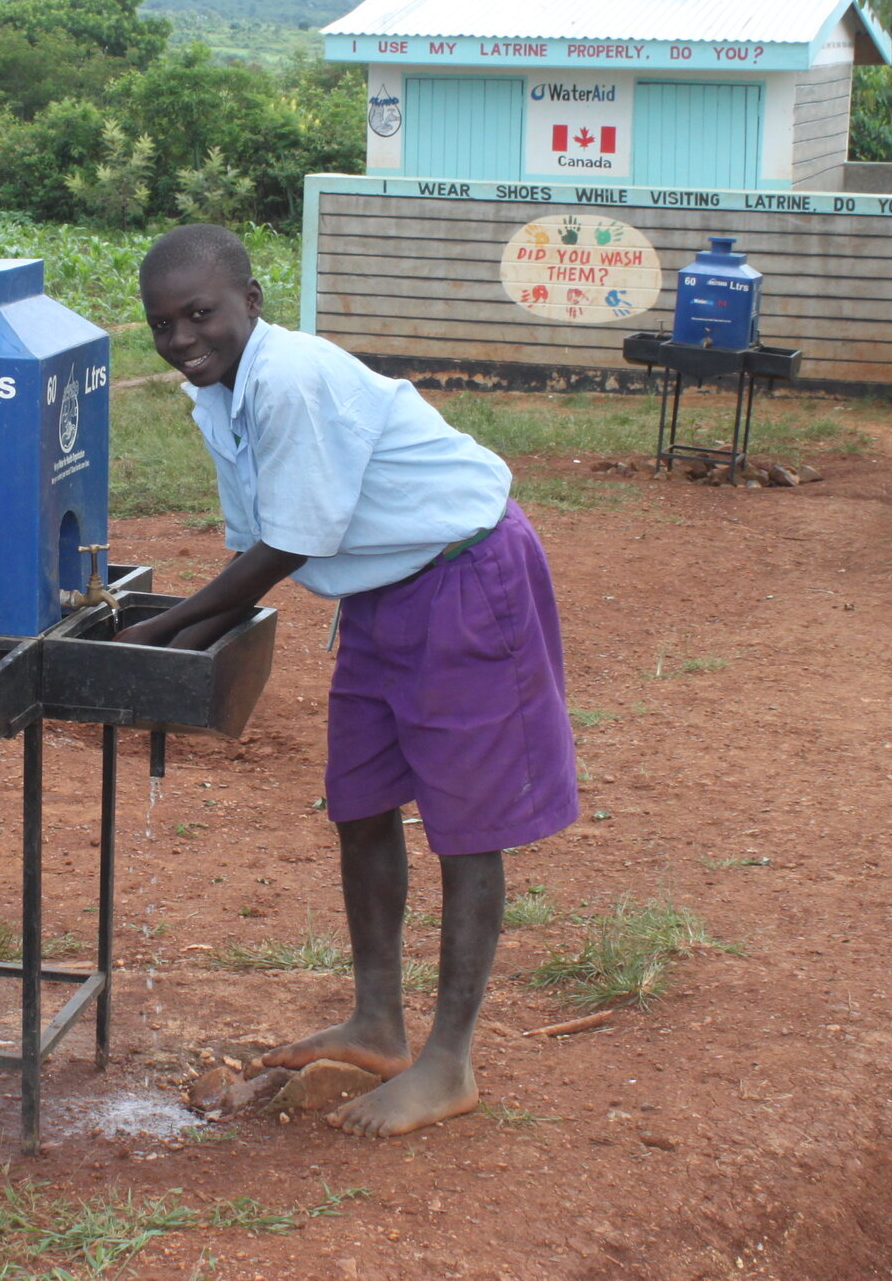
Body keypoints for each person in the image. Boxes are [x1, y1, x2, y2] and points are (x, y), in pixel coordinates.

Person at [117, 224, 577, 1137]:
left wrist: (163, 628)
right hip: (378, 596)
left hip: (463, 577)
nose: (180, 340)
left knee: (466, 822)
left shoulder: (292, 378)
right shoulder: (217, 394)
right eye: (161, 324)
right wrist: (161, 639)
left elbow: (289, 544)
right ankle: (377, 1019)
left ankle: (448, 1059)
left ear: (252, 300)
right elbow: (259, 545)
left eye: (199, 314)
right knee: (360, 801)